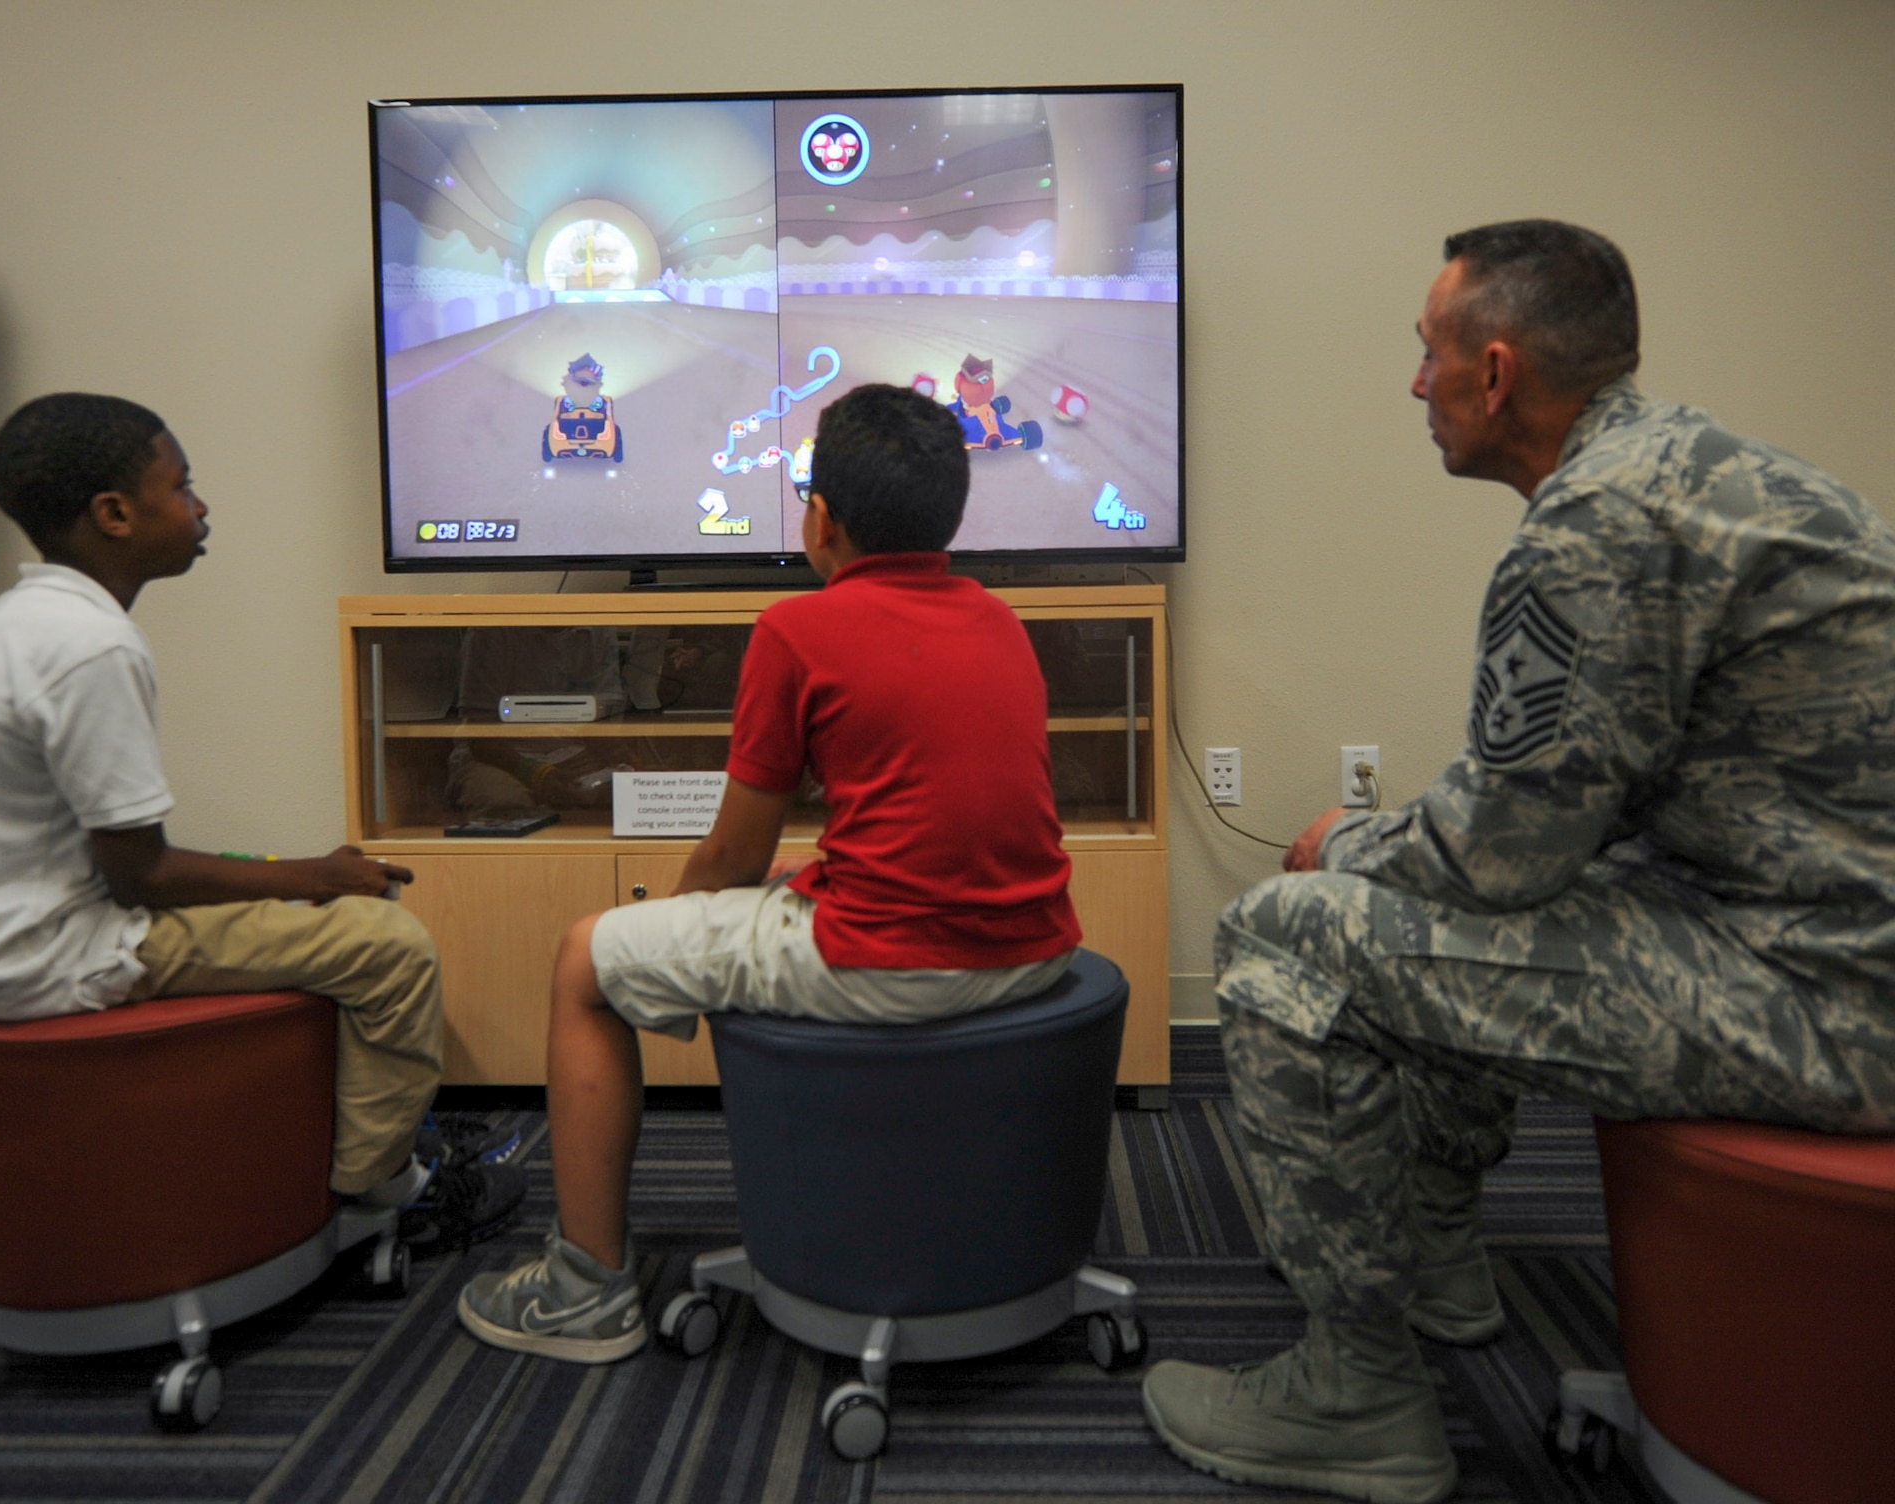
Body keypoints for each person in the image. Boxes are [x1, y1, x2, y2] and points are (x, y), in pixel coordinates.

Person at [1142, 221, 1895, 1503]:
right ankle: (1435, 1256)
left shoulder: (1594, 523)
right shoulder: (1689, 468)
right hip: (1811, 937)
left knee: (1286, 926)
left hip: (1821, 1002)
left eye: (1423, 354)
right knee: (1418, 901)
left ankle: (1354, 1394)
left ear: (1493, 373)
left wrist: (1341, 840)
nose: (1411, 387)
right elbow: (1555, 809)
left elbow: (1495, 859)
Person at [457, 383, 1083, 1362]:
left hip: (885, 963)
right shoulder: (999, 621)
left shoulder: (798, 631)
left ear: (819, 518)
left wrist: (661, 941)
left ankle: (583, 1289)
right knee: (791, 877)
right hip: (1034, 952)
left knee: (584, 961)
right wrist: (815, 874)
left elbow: (729, 858)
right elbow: (934, 817)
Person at [0, 393, 523, 1247]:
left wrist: (297, 879)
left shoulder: (21, 621)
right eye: (182, 485)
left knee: (314, 902)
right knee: (387, 945)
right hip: (40, 956)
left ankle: (392, 1139)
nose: (201, 507)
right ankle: (393, 1189)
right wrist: (315, 874)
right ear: (114, 514)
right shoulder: (92, 647)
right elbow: (140, 876)